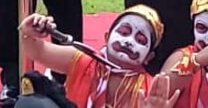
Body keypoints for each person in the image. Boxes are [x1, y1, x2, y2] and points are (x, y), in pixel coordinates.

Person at [19, 7, 181, 108]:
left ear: (148, 57)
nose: (128, 42)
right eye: (124, 32)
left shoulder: (149, 87)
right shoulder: (83, 60)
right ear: (106, 37)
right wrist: (29, 32)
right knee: (31, 104)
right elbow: (37, 52)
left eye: (140, 40)